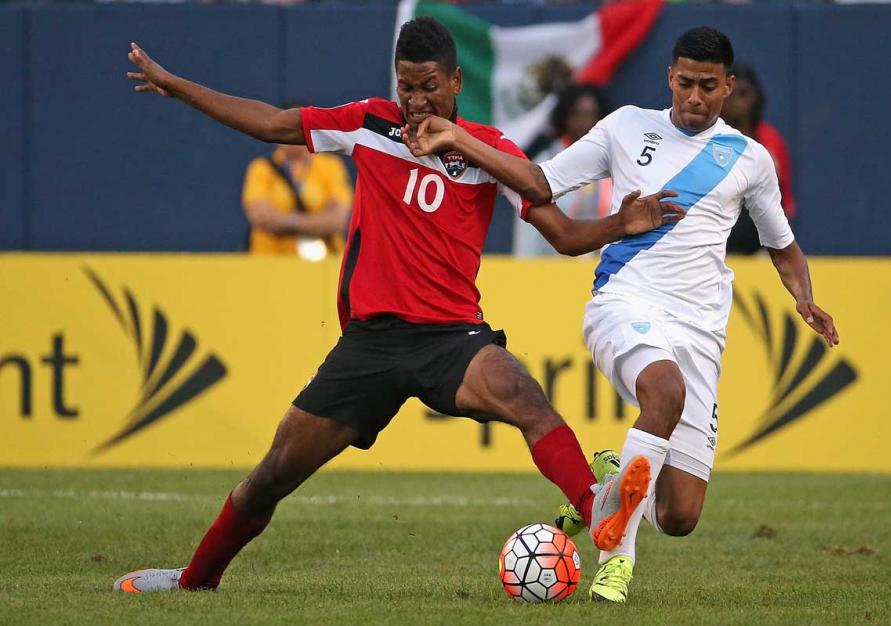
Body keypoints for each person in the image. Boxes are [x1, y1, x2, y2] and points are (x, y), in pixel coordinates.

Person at [114, 17, 686, 593]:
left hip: (452, 338)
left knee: (525, 398)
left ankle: (599, 515)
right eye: (406, 87)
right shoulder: (369, 124)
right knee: (271, 476)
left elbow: (559, 230)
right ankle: (195, 581)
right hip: (371, 343)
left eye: (428, 86)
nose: (414, 101)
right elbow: (274, 124)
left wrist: (619, 222)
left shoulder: (489, 150)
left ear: (456, 81)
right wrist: (179, 85)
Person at [403, 26, 839, 603]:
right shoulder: (625, 126)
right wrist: (460, 138)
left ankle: (611, 481)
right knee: (663, 390)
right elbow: (540, 182)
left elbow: (781, 247)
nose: (694, 97)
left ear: (728, 88)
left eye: (708, 86)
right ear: (670, 78)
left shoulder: (750, 160)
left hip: (700, 330)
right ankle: (617, 554)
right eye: (685, 82)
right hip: (624, 300)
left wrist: (804, 298)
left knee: (680, 514)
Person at [515, 84, 613, 257]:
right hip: (553, 271)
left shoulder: (614, 163)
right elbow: (528, 229)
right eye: (577, 114)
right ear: (564, 117)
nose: (584, 122)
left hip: (604, 268)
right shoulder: (545, 164)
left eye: (591, 115)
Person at [242, 128, 352, 260]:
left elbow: (337, 220)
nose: (291, 138)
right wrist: (317, 223)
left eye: (297, 132)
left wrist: (288, 221)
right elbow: (260, 216)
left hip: (323, 265)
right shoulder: (261, 168)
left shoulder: (331, 166)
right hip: (270, 261)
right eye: (286, 131)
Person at [720, 63, 796, 254]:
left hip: (760, 250)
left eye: (744, 93)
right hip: (716, 247)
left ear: (756, 96)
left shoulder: (771, 140)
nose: (737, 100)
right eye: (731, 93)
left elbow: (784, 201)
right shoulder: (709, 138)